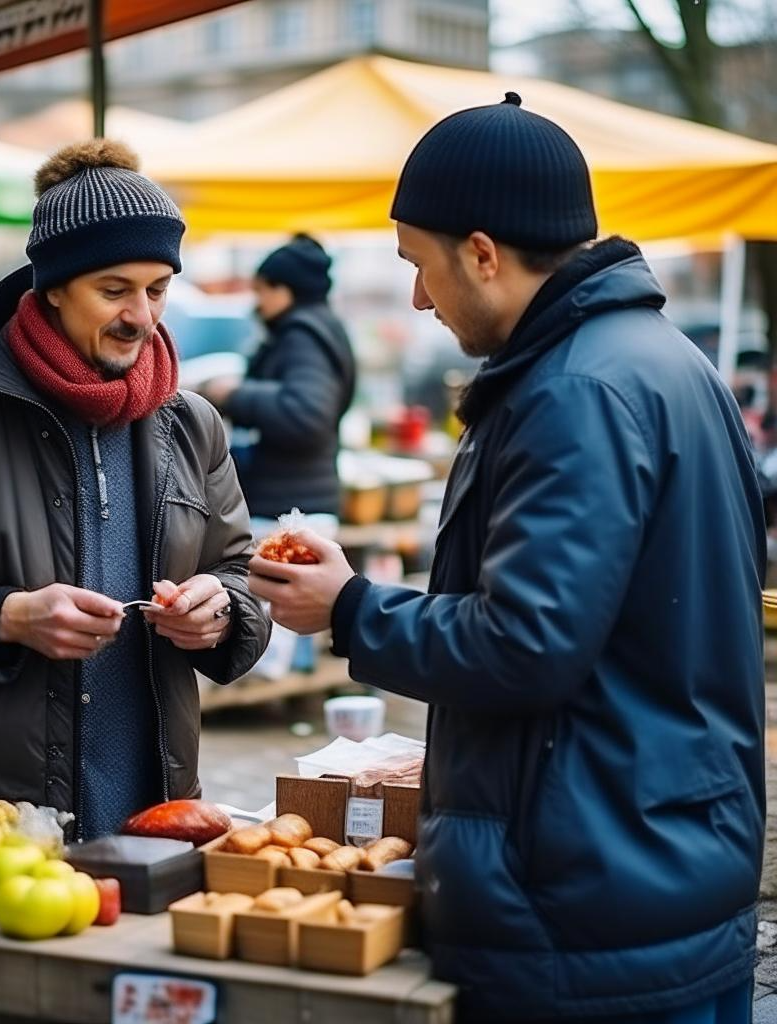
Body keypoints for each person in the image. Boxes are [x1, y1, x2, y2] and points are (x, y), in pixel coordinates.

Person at [250, 94, 765, 1023]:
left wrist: (353, 609)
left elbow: (526, 644)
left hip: (586, 897)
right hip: (663, 857)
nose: (417, 297)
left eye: (420, 264)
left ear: (482, 253)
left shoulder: (574, 392)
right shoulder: (667, 360)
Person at [0, 141, 271, 838]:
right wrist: (6, 616)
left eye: (158, 287)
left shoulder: (192, 422)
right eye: (115, 289)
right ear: (50, 287)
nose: (143, 314)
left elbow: (241, 572)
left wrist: (223, 610)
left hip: (160, 802)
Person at [202, 234, 356, 519]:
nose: (256, 301)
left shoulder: (303, 336)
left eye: (261, 290)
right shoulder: (316, 328)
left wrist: (234, 394)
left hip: (292, 512)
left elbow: (306, 415)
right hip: (293, 503)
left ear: (285, 291)